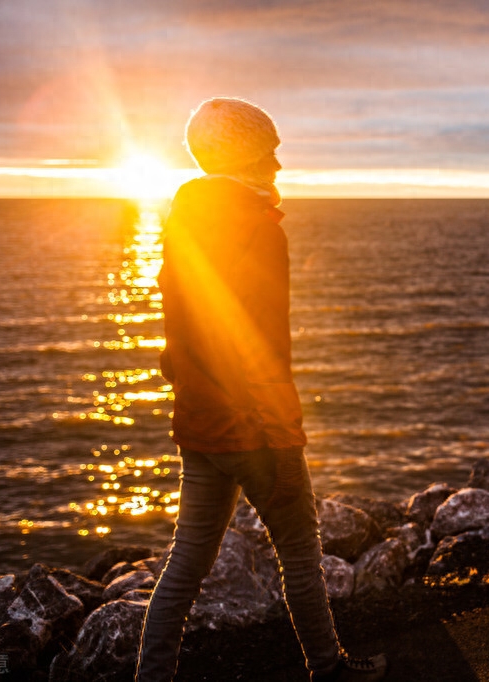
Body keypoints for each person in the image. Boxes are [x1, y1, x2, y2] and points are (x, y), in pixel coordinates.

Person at [136, 97, 388, 682]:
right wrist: (279, 433)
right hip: (255, 429)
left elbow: (179, 334)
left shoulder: (179, 224)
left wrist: (194, 394)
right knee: (299, 553)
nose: (277, 164)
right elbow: (264, 346)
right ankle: (327, 669)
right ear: (242, 157)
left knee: (184, 565)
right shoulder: (258, 228)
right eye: (267, 151)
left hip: (199, 424)